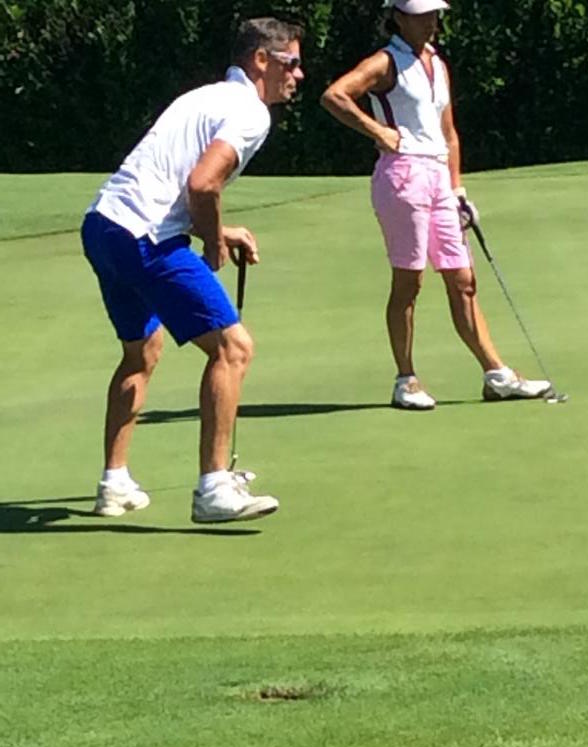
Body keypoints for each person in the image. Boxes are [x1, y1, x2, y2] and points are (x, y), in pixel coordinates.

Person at [81, 17, 304, 521]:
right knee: (233, 348)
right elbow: (203, 184)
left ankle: (114, 483)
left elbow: (179, 183)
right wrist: (213, 242)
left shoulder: (205, 96)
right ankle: (214, 490)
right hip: (145, 237)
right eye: (290, 63)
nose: (299, 74)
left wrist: (220, 230)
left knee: (142, 351)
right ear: (261, 61)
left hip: (103, 226)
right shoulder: (250, 112)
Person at [320, 0, 551, 410]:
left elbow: (450, 133)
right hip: (402, 176)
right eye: (421, 15)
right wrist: (378, 131)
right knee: (409, 282)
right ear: (398, 18)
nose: (431, 22)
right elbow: (334, 96)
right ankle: (405, 380)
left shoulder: (438, 64)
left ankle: (496, 374)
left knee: (463, 278)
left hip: (439, 178)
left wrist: (457, 189)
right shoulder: (385, 62)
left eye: (434, 14)